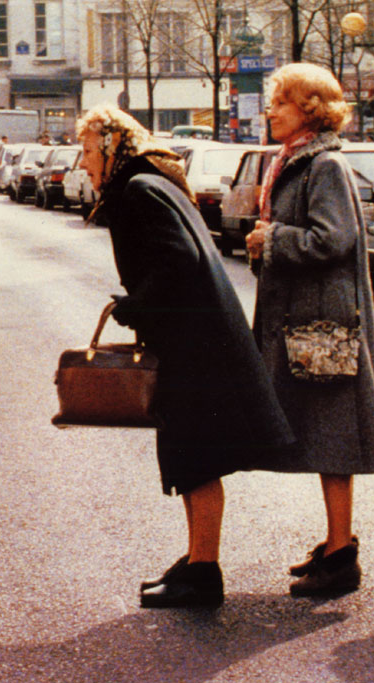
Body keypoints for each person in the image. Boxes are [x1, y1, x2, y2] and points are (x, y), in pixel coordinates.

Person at [76, 104, 295, 609]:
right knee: (195, 457)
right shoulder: (153, 181)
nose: (83, 164)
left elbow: (180, 260)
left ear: (111, 147)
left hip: (193, 346)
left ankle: (204, 573)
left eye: (87, 151)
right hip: (201, 339)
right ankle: (199, 561)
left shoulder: (137, 190)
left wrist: (138, 305)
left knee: (194, 458)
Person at [244, 62, 374, 598]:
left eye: (281, 102)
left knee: (333, 437)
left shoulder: (323, 166)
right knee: (324, 434)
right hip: (308, 320)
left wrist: (272, 238)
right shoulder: (296, 162)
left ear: (308, 109)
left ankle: (341, 553)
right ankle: (334, 544)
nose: (271, 111)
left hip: (324, 326)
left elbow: (335, 240)